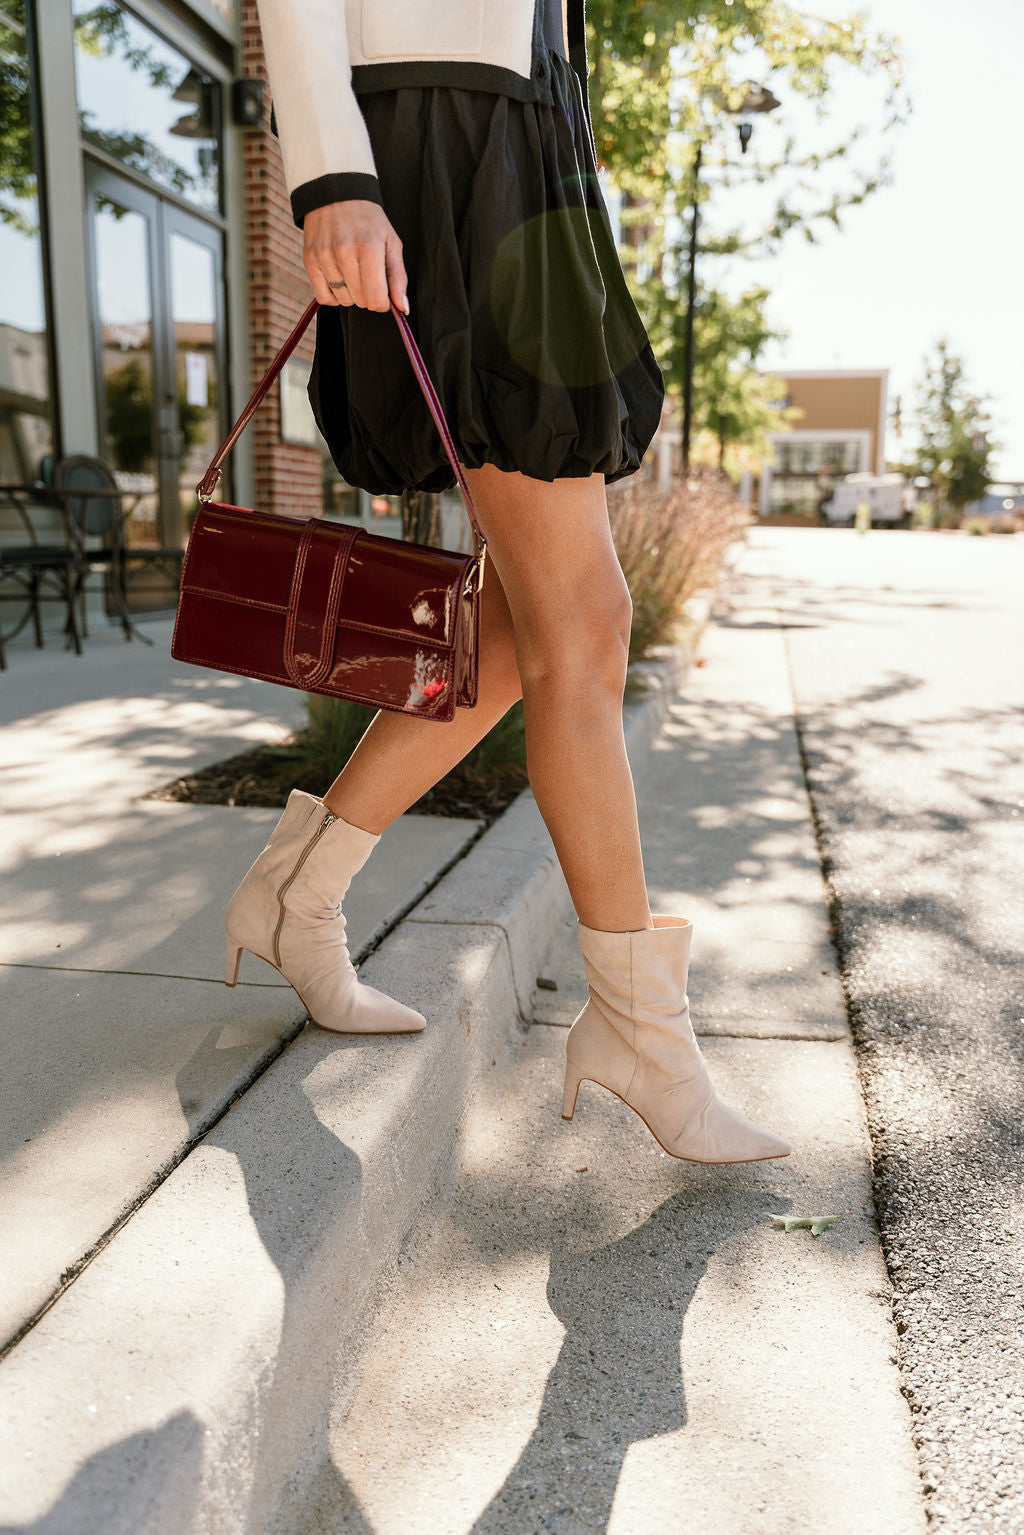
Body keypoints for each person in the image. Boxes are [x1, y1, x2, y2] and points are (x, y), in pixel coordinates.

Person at [225, 0, 790, 1164]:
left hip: (526, 145)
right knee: (582, 616)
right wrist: (332, 174)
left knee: (520, 635)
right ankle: (641, 1031)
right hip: (440, 144)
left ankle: (297, 895)